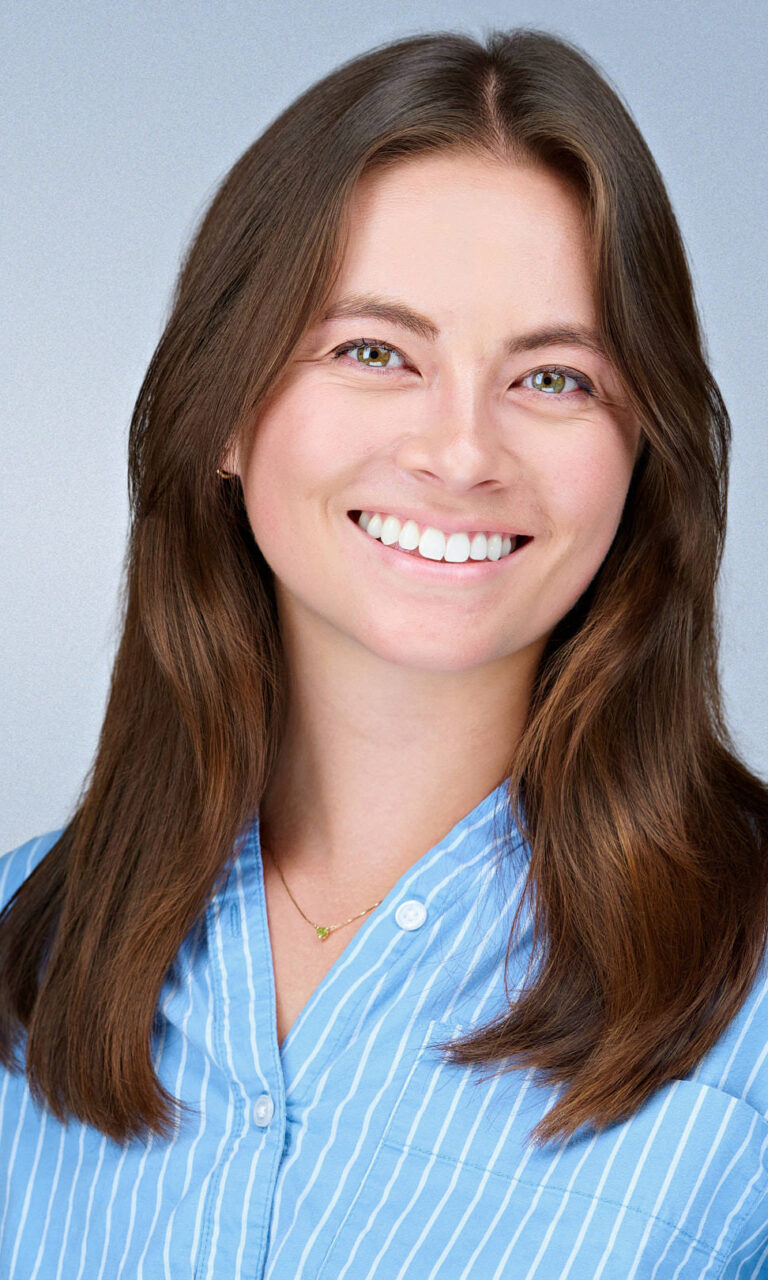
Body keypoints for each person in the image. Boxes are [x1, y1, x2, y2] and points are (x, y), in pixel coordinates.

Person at [2, 25, 767, 1279]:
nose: (462, 451)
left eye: (556, 377)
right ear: (226, 414)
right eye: (375, 352)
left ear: (644, 452)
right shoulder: (17, 942)